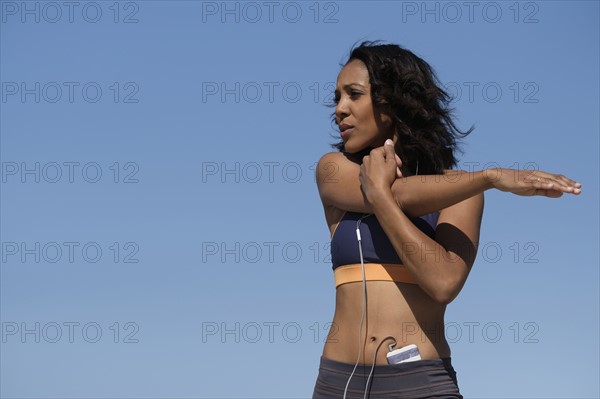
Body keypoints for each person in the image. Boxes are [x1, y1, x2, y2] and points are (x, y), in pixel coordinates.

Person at [311, 40, 582, 399]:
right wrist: (489, 176)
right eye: (337, 97)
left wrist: (381, 196)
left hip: (419, 383)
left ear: (393, 102)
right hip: (337, 382)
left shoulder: (463, 193)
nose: (339, 109)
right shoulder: (332, 170)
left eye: (354, 95)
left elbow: (443, 283)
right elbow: (400, 194)